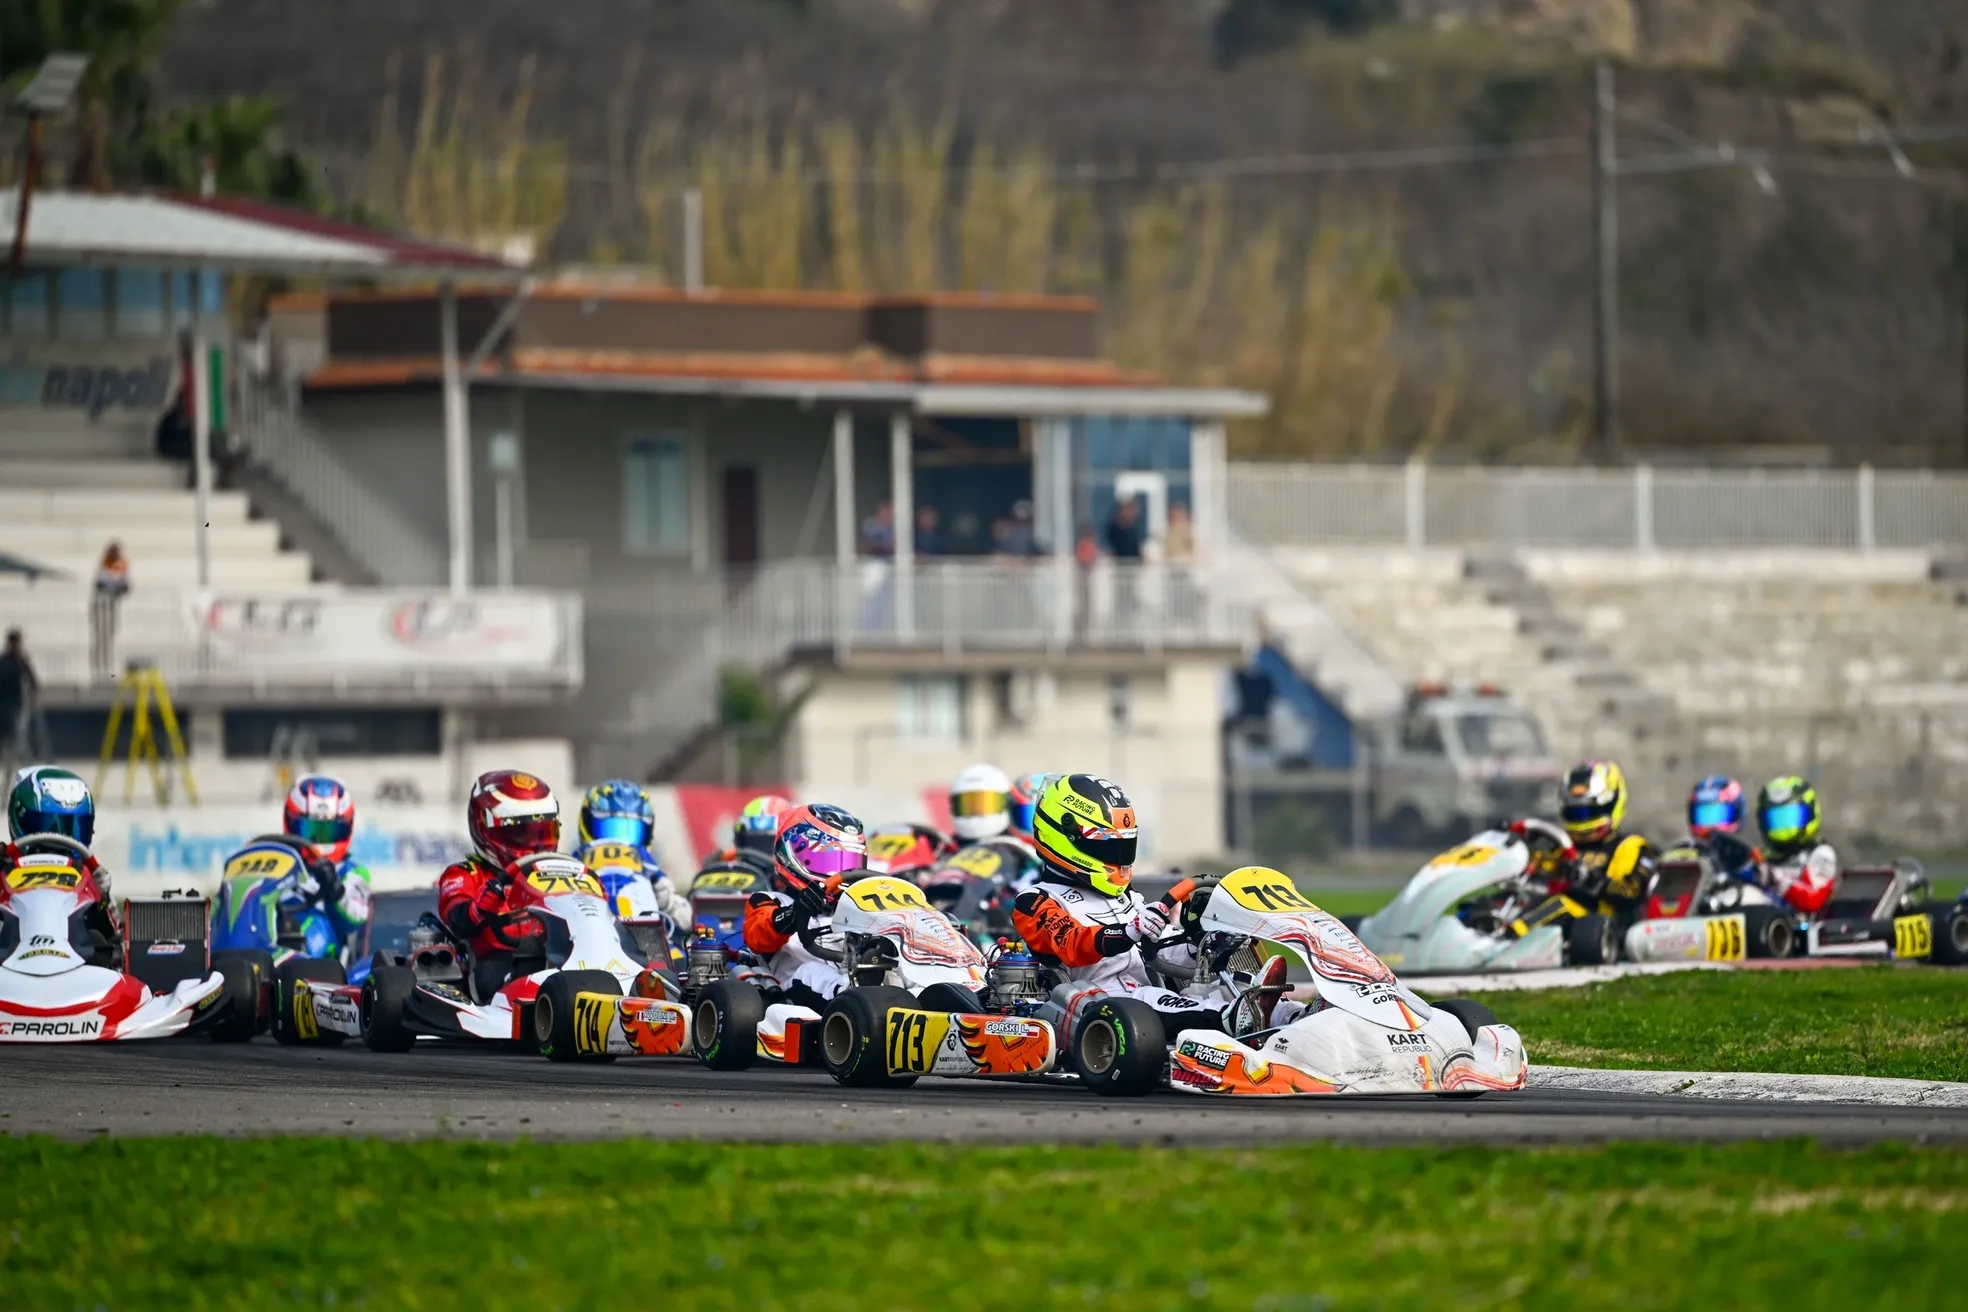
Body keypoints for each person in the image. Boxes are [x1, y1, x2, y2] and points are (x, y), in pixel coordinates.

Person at [1011, 773, 1291, 1035]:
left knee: (1220, 991)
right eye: (1108, 846)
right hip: (1098, 1004)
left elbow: (1158, 951)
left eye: (1123, 846)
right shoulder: (1035, 901)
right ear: (1064, 837)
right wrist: (1128, 931)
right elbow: (1071, 943)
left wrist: (1202, 945)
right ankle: (1236, 1022)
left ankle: (1295, 1018)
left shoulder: (1124, 897)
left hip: (1143, 995)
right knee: (1164, 1003)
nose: (1117, 856)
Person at [437, 770, 564, 1002]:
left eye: (542, 833)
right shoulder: (466, 875)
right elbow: (458, 920)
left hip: (563, 958)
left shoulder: (561, 870)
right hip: (500, 962)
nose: (535, 846)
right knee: (529, 971)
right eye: (521, 834)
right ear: (485, 829)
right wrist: (479, 908)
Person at [741, 802, 868, 1008]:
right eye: (831, 862)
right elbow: (757, 935)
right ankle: (853, 1003)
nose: (841, 873)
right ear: (795, 854)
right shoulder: (771, 901)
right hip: (789, 999)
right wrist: (796, 912)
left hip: (857, 989)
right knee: (813, 973)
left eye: (849, 863)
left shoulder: (859, 908)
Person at [3, 765, 118, 950]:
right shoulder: (5, 867)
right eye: (48, 824)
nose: (60, 837)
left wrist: (103, 896)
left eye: (73, 826)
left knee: (98, 941)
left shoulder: (88, 876)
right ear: (20, 817)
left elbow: (111, 936)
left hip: (73, 964)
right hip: (10, 959)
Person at [1548, 758, 1657, 917]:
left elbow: (1633, 894)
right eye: (1575, 813)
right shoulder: (1560, 845)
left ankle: (1515, 932)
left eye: (1590, 812)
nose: (1583, 821)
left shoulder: (1633, 847)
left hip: (1603, 928)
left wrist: (1587, 878)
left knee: (1560, 905)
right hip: (1555, 924)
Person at [576, 778, 689, 926]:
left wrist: (668, 902)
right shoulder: (574, 863)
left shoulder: (649, 867)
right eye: (611, 829)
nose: (619, 843)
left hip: (645, 937)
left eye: (631, 833)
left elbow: (687, 918)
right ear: (587, 823)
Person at [280, 774, 373, 943]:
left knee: (313, 924)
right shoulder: (278, 865)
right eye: (311, 830)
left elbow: (358, 918)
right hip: (270, 939)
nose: (320, 840)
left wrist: (335, 889)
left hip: (325, 953)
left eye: (329, 831)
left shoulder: (353, 872)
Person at [1757, 776, 1838, 915]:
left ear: (1810, 814)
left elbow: (1812, 900)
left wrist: (1775, 880)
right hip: (1761, 921)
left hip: (1803, 928)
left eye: (1789, 818)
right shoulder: (1761, 858)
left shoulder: (1821, 854)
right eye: (1776, 819)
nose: (1783, 827)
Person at [1684, 775, 1763, 887]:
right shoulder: (1687, 857)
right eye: (1704, 816)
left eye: (1719, 815)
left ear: (1736, 812)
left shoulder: (1748, 860)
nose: (1710, 827)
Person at [0, 631, 38, 779]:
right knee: (6, 740)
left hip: (17, 707)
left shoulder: (21, 660)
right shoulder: (5, 661)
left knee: (18, 739)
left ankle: (15, 772)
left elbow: (32, 680)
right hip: (4, 706)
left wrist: (32, 697)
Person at [92, 542, 130, 679]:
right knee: (101, 638)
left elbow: (125, 585)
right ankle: (99, 667)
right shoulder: (105, 565)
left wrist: (118, 588)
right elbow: (100, 584)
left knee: (111, 634)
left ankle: (108, 667)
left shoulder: (121, 566)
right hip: (102, 606)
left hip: (113, 605)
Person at [949, 763, 1014, 844]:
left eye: (985, 804)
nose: (976, 809)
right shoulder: (946, 849)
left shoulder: (1018, 847)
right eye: (969, 805)